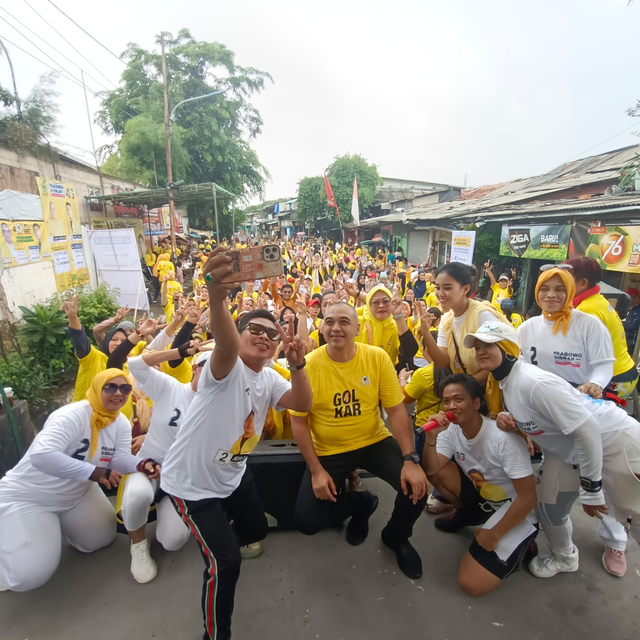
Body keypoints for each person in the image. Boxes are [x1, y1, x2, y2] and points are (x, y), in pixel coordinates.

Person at [160, 247, 312, 640]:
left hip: (233, 473)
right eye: (254, 330)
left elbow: (302, 404)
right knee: (225, 564)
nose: (263, 336)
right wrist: (216, 295)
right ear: (240, 335)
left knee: (257, 532)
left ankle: (225, 535)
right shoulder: (224, 369)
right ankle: (216, 635)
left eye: (271, 332)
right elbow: (225, 345)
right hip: (191, 487)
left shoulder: (272, 376)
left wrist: (298, 365)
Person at [468, 321, 640, 579]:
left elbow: (588, 428)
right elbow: (538, 417)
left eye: (489, 345)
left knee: (635, 515)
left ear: (510, 349)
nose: (481, 351)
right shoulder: (507, 382)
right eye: (478, 347)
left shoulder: (532, 381)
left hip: (616, 441)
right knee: (549, 505)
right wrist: (510, 418)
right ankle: (565, 557)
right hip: (569, 452)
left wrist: (591, 487)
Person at [291, 301, 429, 579]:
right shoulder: (310, 365)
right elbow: (298, 420)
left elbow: (395, 410)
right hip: (329, 450)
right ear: (321, 327)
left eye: (344, 321)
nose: (336, 327)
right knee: (306, 521)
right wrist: (316, 470)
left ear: (357, 328)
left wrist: (410, 459)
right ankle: (362, 503)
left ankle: (396, 536)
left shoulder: (377, 357)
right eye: (329, 321)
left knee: (417, 489)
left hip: (373, 440)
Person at [0, 370, 160, 591]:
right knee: (29, 576)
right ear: (97, 387)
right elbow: (41, 456)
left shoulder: (119, 421)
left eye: (124, 388)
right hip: (30, 497)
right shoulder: (72, 415)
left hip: (77, 494)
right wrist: (94, 472)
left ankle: (51, 530)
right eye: (110, 387)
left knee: (101, 539)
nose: (118, 393)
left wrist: (142, 464)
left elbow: (119, 459)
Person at [519, 263, 628, 575]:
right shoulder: (527, 329)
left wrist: (594, 384)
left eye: (559, 289)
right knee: (554, 496)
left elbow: (604, 365)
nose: (551, 295)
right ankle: (564, 554)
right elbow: (522, 373)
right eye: (544, 289)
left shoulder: (589, 324)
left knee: (607, 487)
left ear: (571, 290)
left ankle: (616, 542)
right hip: (553, 426)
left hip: (587, 413)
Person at [423, 374, 538, 595]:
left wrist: (495, 534)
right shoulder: (451, 430)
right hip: (484, 497)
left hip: (517, 508)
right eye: (446, 401)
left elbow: (529, 498)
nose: (451, 406)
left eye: (459, 399)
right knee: (440, 473)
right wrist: (432, 437)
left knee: (471, 583)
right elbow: (431, 469)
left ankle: (523, 541)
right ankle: (467, 514)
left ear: (476, 403)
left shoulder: (503, 439)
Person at [119, 345, 208, 583]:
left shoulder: (217, 405)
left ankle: (163, 511)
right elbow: (135, 364)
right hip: (148, 465)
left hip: (179, 476)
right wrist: (180, 351)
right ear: (194, 369)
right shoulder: (171, 387)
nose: (210, 373)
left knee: (173, 541)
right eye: (204, 366)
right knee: (137, 496)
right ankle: (137, 544)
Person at [564, 257, 638, 402]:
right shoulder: (597, 300)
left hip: (614, 378)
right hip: (625, 371)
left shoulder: (585, 310)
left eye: (565, 278)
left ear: (583, 283)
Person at [622, 287, 640, 356]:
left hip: (631, 344)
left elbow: (634, 325)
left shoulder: (638, 310)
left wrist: (620, 323)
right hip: (620, 341)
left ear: (636, 298)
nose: (627, 299)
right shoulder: (626, 308)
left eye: (629, 296)